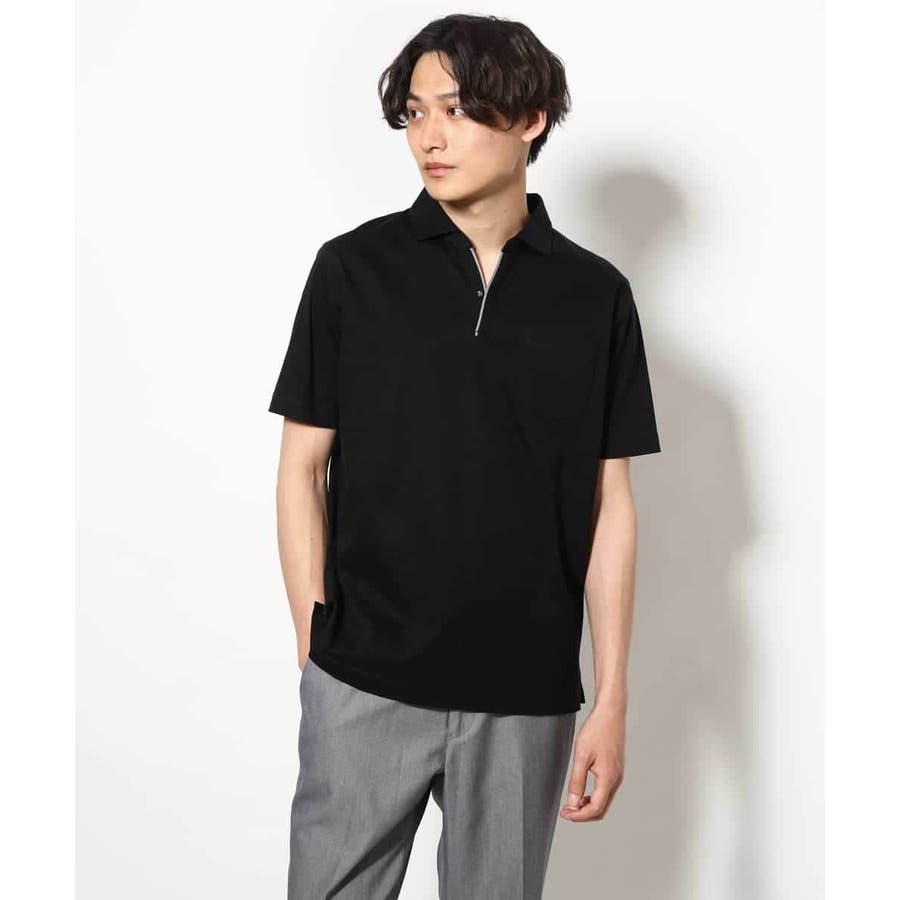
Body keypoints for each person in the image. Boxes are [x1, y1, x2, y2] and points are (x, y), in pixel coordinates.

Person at [268, 13, 661, 899]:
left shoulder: (595, 296)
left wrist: (611, 697)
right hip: (364, 677)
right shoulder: (352, 270)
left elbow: (611, 506)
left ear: (529, 120)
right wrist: (316, 649)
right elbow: (300, 468)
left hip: (525, 692)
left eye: (455, 109)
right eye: (414, 113)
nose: (429, 137)